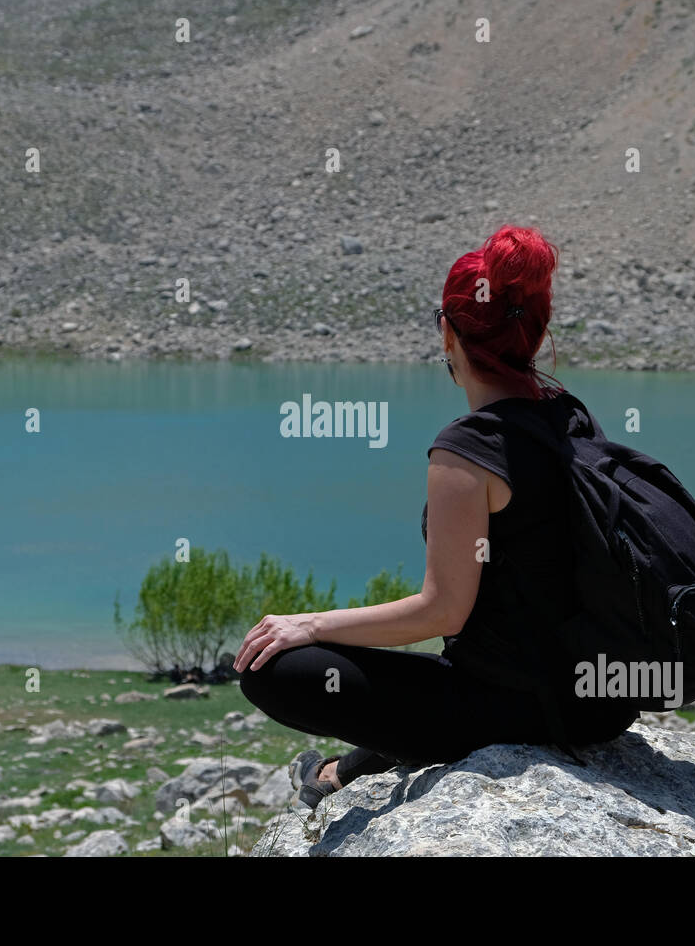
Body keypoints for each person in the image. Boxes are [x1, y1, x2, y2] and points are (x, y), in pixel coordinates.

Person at [234, 225, 639, 809]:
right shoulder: (571, 419)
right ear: (538, 331)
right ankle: (338, 776)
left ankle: (337, 775)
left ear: (448, 333)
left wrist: (312, 624)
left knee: (273, 669)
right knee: (442, 681)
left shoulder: (467, 450)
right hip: (601, 701)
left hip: (524, 707)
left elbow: (442, 609)